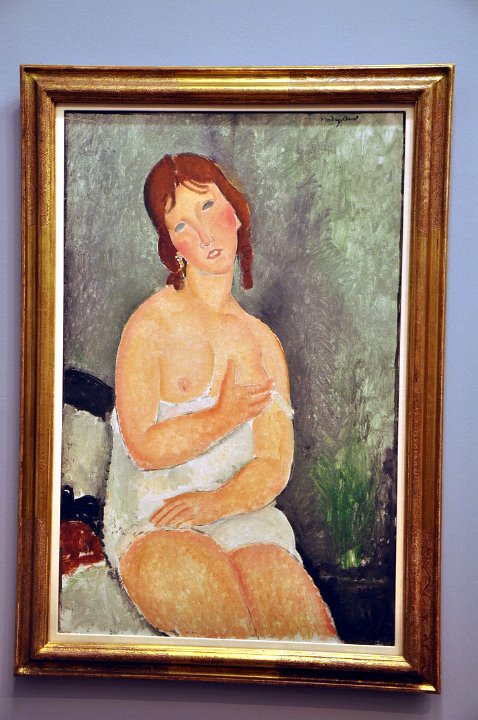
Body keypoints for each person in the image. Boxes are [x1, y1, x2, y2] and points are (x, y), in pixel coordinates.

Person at [102, 153, 337, 641]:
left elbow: (273, 463)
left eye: (208, 206)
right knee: (229, 631)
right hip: (157, 520)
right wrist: (224, 416)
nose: (204, 233)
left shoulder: (262, 342)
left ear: (235, 209)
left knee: (307, 633)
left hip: (242, 515)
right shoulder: (150, 326)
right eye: (182, 225)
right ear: (172, 245)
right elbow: (144, 446)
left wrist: (215, 505)